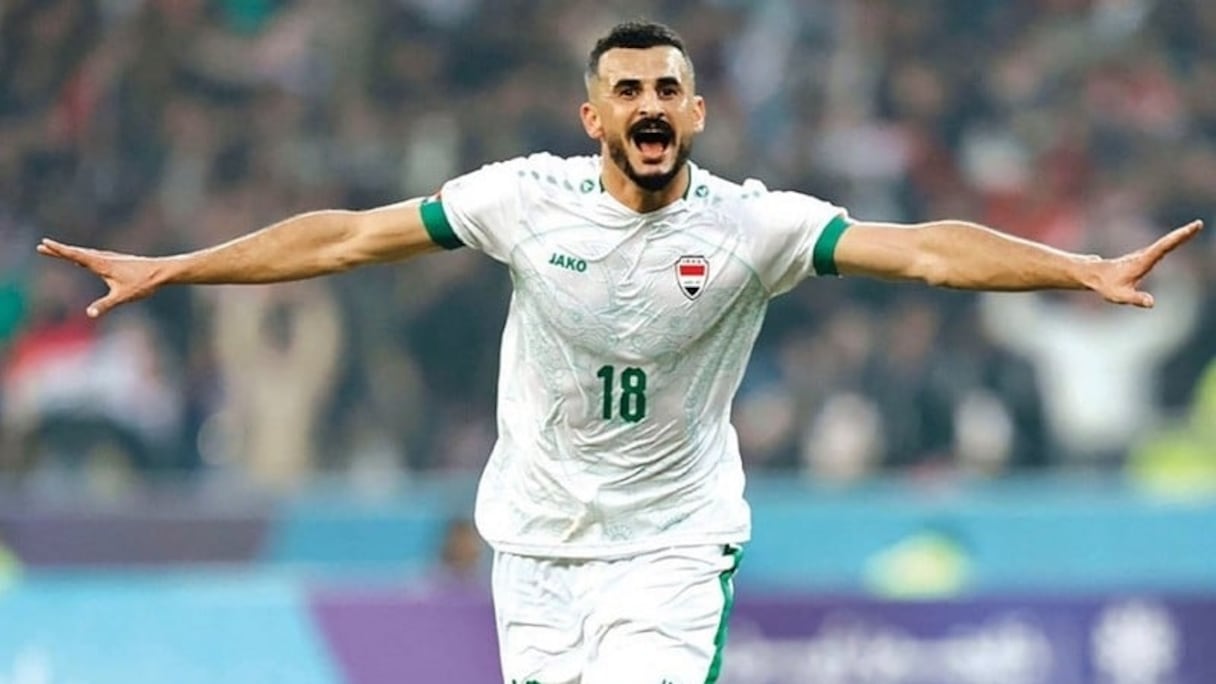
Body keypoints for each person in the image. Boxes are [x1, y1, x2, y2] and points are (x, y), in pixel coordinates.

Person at [37, 20, 1201, 684]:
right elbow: (345, 237)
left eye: (668, 89)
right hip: (535, 543)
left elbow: (929, 253)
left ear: (694, 115)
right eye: (627, 89)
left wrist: (1079, 270)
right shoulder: (520, 201)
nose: (649, 104)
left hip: (671, 547)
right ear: (594, 117)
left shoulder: (751, 228)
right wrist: (178, 267)